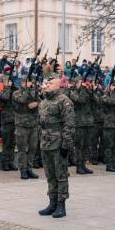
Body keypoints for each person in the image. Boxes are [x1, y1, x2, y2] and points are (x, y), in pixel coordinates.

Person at [38, 73, 75, 218]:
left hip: (58, 143)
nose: (47, 85)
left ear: (58, 86)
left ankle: (61, 205)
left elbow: (69, 124)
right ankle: (52, 203)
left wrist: (66, 144)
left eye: (50, 84)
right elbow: (40, 124)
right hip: (45, 143)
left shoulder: (64, 101)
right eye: (47, 84)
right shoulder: (43, 103)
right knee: (50, 175)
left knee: (61, 175)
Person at [12, 76, 40, 180]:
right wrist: (28, 90)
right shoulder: (16, 93)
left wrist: (36, 103)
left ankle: (29, 168)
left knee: (33, 148)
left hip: (33, 124)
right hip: (21, 125)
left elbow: (40, 101)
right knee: (22, 149)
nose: (30, 84)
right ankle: (23, 170)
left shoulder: (33, 92)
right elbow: (23, 100)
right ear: (23, 83)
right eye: (28, 83)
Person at [69, 75, 94, 175]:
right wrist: (83, 89)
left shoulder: (85, 91)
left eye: (81, 82)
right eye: (79, 82)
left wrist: (86, 89)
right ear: (75, 83)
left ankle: (83, 165)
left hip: (88, 122)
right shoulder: (72, 93)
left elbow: (92, 98)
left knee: (86, 145)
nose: (81, 84)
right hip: (79, 123)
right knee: (79, 145)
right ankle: (79, 166)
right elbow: (80, 100)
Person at [0, 76, 17, 171]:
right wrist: (7, 87)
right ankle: (5, 162)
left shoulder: (12, 91)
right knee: (6, 143)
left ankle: (11, 161)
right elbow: (5, 98)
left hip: (14, 120)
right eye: (6, 81)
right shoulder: (2, 92)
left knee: (12, 143)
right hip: (6, 121)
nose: (9, 83)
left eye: (10, 81)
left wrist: (11, 87)